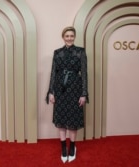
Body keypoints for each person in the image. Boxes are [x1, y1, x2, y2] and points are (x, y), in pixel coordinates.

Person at [46, 26, 89, 163]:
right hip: (60, 89)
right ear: (63, 37)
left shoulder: (80, 52)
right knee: (61, 120)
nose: (69, 38)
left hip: (75, 89)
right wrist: (51, 92)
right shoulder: (57, 53)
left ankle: (73, 147)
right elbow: (53, 73)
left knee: (73, 120)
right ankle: (63, 147)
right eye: (67, 36)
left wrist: (83, 93)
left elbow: (84, 74)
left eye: (72, 36)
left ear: (74, 37)